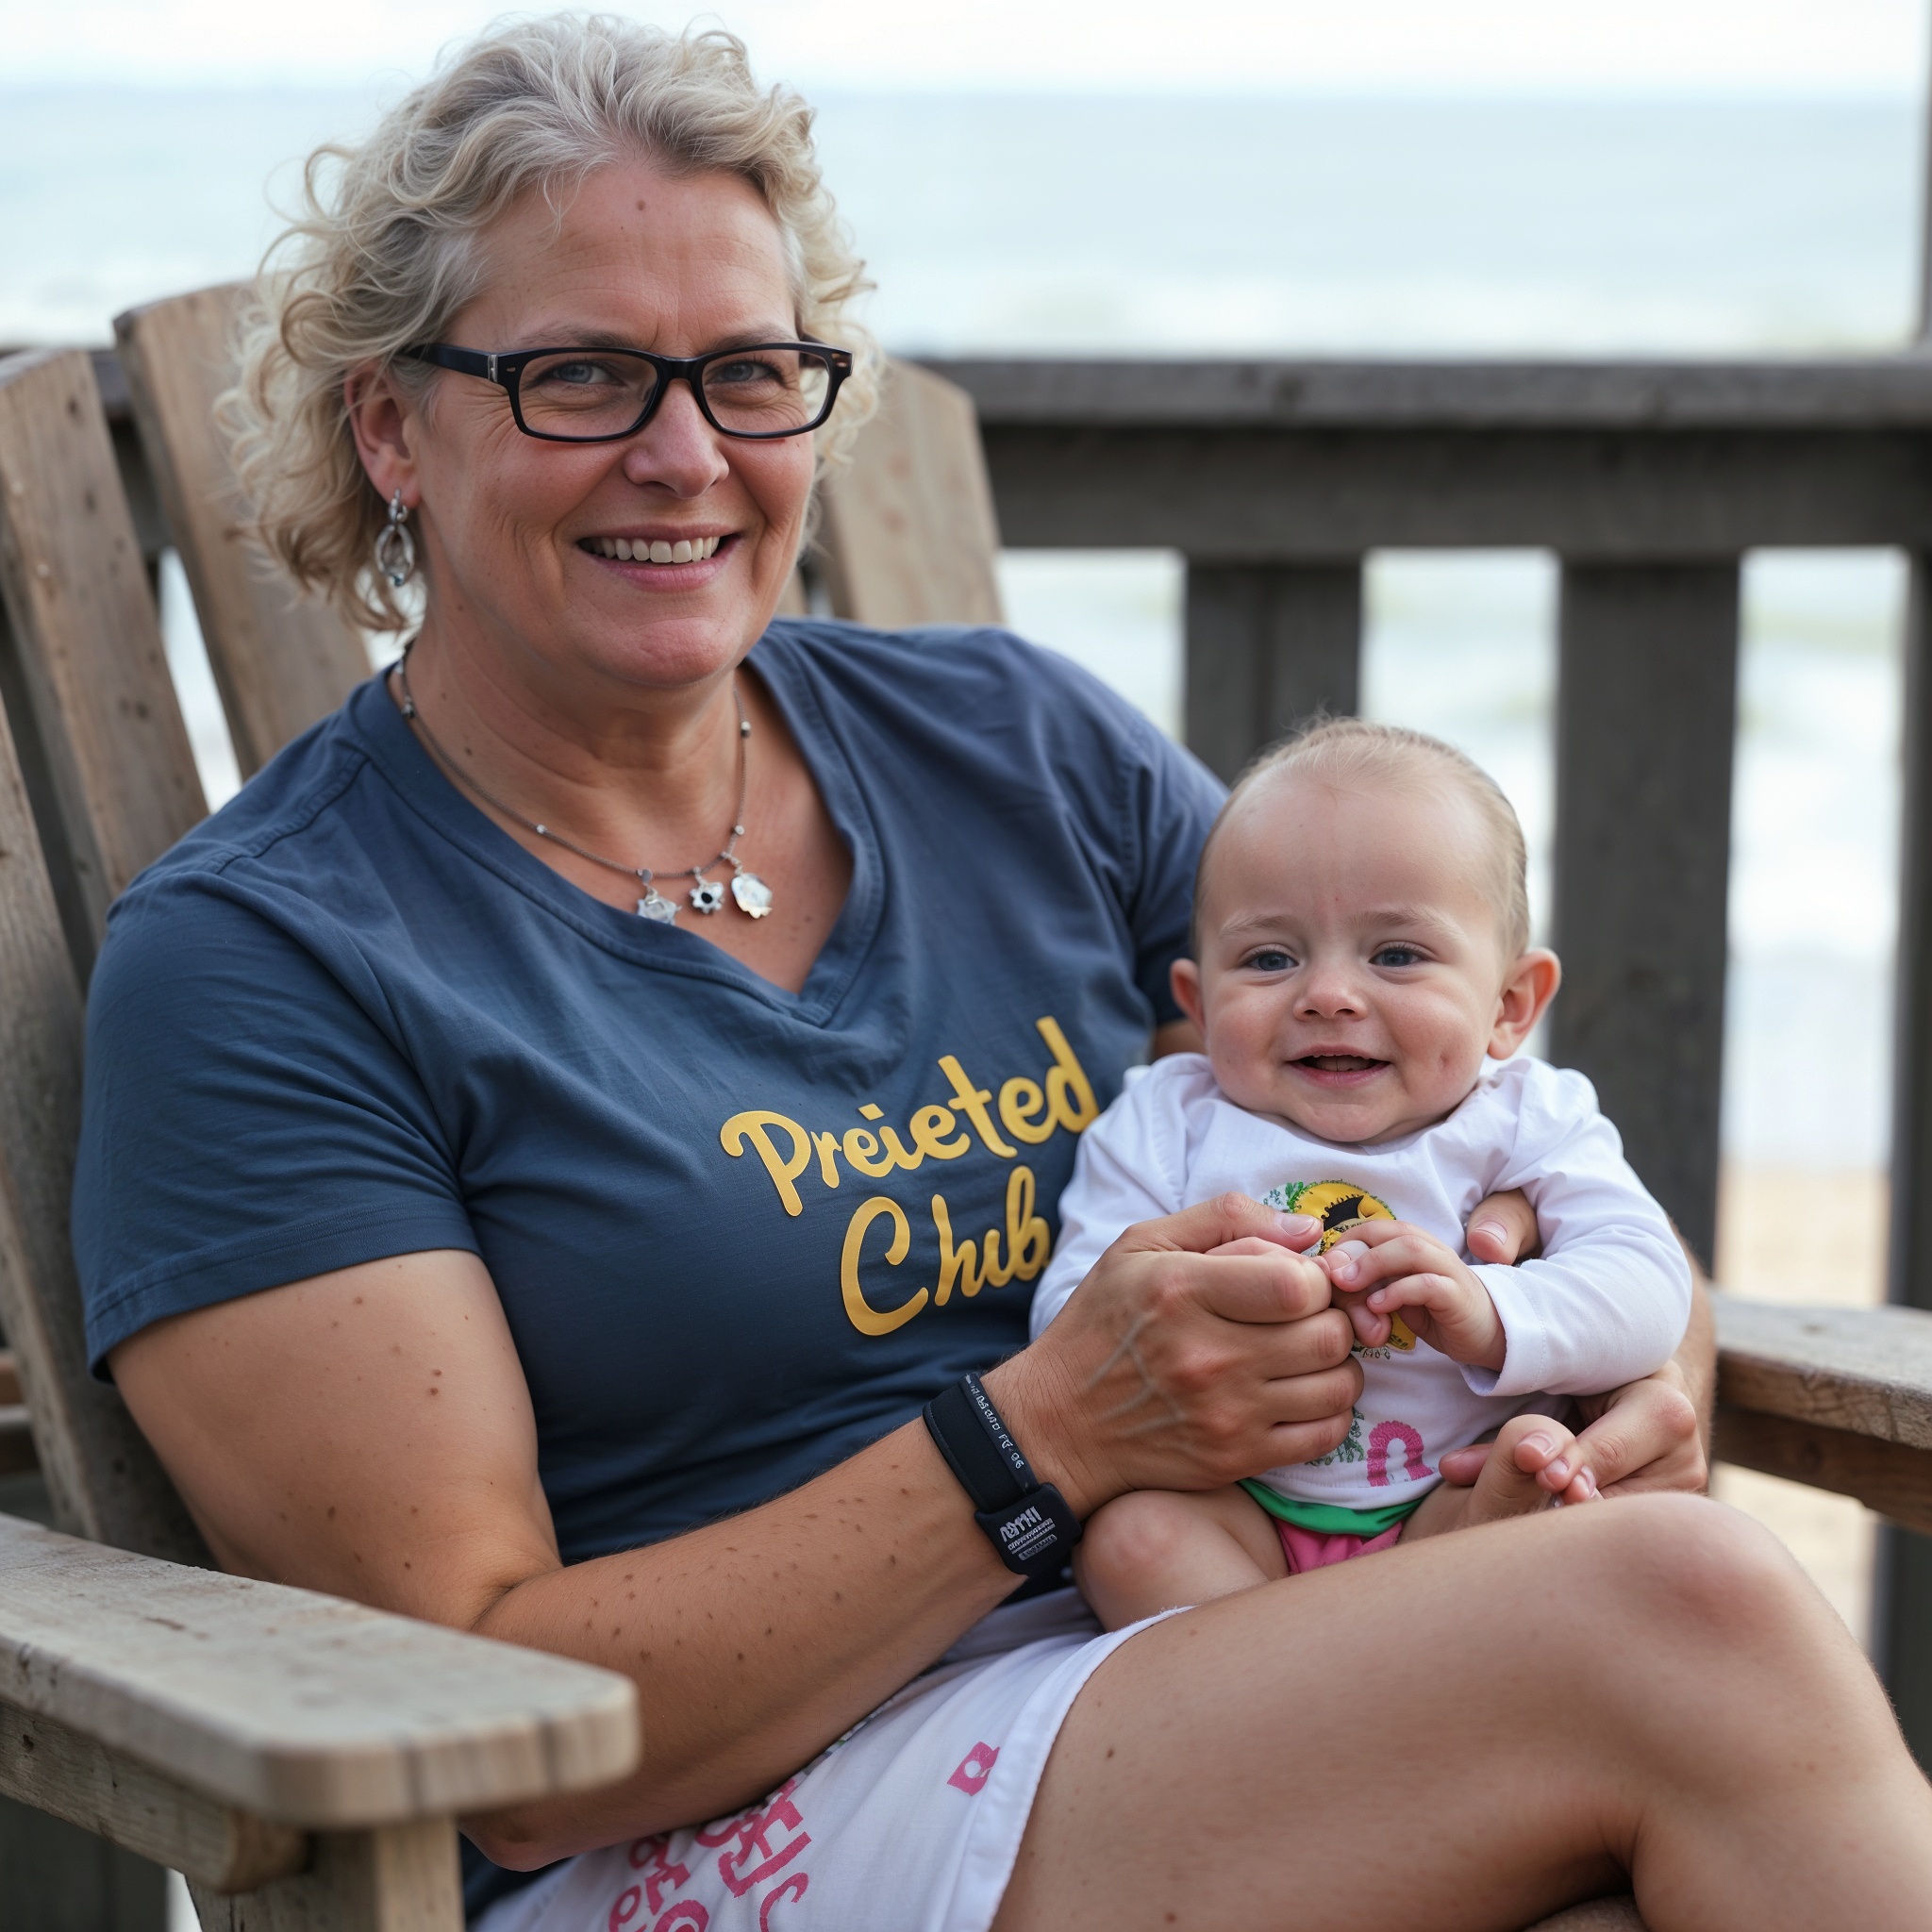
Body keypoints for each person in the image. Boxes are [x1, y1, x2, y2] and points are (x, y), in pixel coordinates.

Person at [71, 17, 1932, 1932]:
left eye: (749, 372)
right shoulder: (272, 966)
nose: (685, 453)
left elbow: (1479, 1119)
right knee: (1688, 1609)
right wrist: (1044, 1432)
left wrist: (1628, 1389)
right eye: (583, 376)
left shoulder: (1012, 748)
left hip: (1197, 1668)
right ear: (391, 426)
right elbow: (486, 1717)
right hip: (690, 1836)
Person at [1032, 719, 1693, 1629]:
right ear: (1199, 1002)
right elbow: (1072, 1316)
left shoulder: (1528, 1119)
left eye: (1396, 955)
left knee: (1535, 1467)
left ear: (1510, 1005)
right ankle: (1320, 1690)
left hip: (1442, 1497)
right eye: (1270, 958)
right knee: (1129, 1542)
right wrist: (1195, 1304)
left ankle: (1347, 1668)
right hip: (1233, 1509)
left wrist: (1491, 1312)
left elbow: (1648, 1279)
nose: (1328, 995)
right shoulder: (1163, 1122)